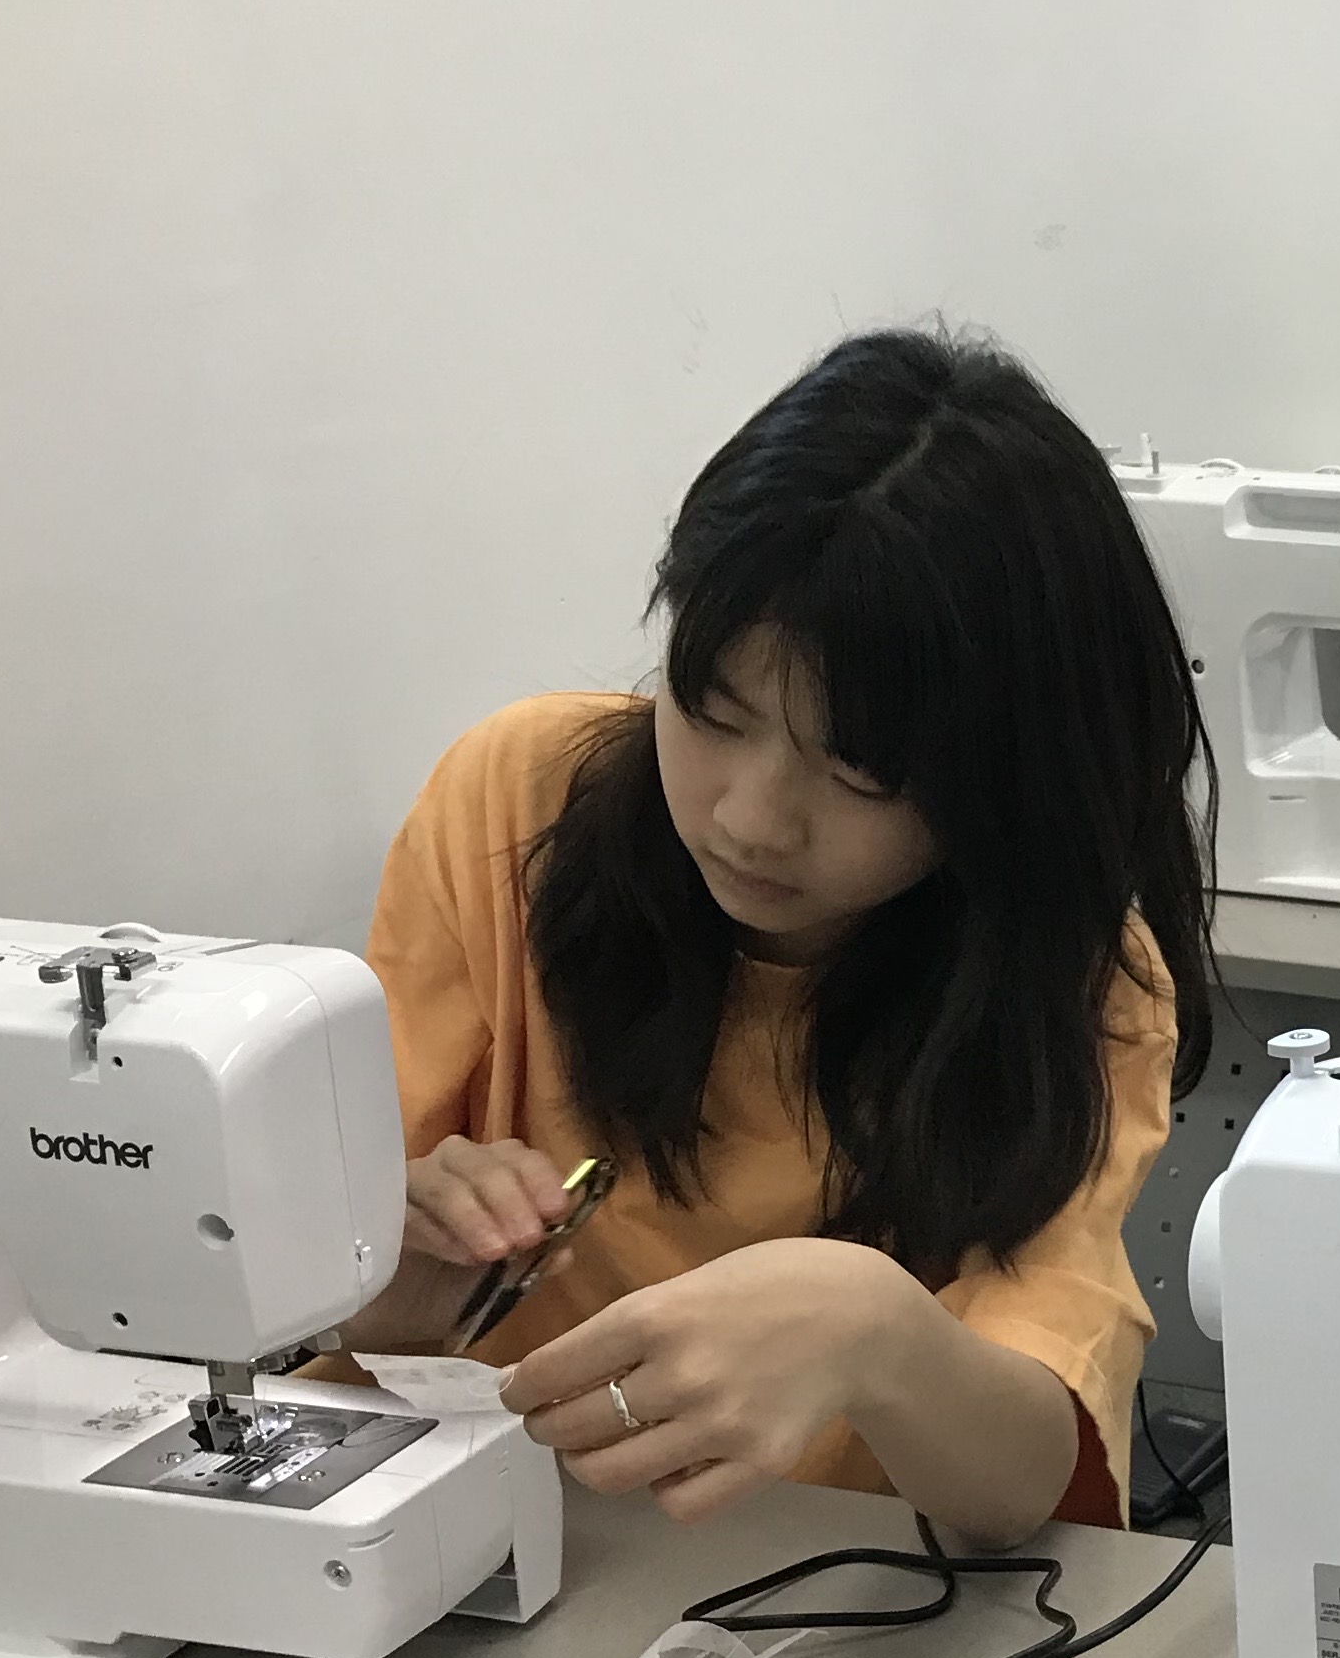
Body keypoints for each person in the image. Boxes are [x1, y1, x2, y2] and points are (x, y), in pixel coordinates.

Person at [341, 328, 1214, 1549]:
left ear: (996, 782)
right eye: (712, 710)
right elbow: (324, 1304)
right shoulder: (514, 804)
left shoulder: (1069, 979)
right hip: (499, 1555)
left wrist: (880, 1336)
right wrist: (386, 1274)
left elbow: (1027, 1482)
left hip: (839, 1592)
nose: (751, 820)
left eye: (860, 774)